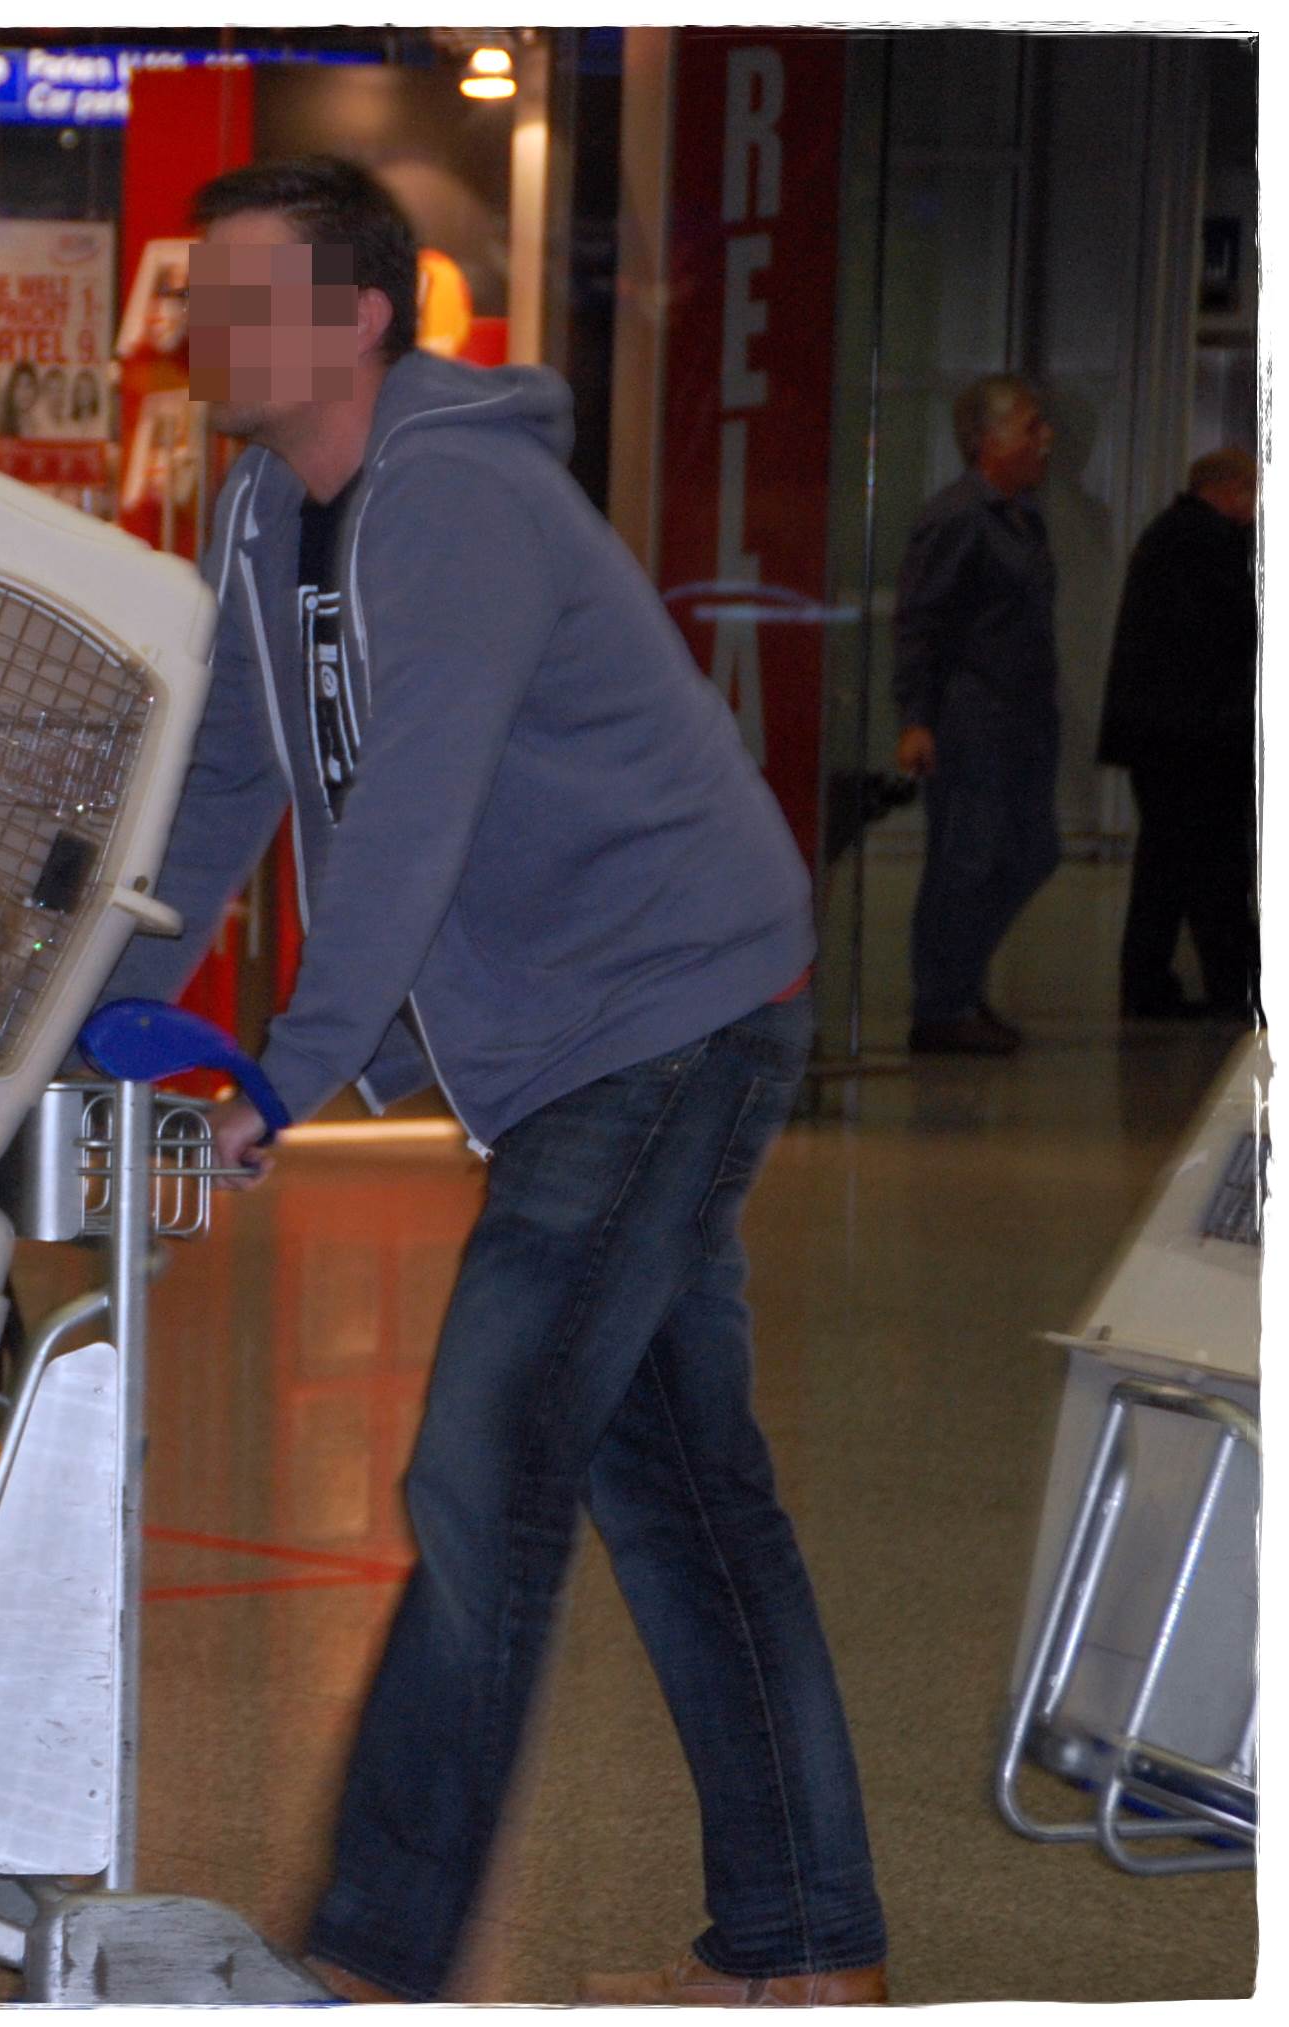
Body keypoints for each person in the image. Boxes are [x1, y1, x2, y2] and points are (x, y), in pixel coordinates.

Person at [99, 156, 887, 2005]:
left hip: (670, 1007)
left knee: (481, 1468)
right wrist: (95, 1023)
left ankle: (375, 1953)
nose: (204, 328)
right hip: (568, 1033)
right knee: (684, 1493)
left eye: (244, 297)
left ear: (359, 317)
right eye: (201, 295)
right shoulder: (257, 510)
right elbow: (224, 789)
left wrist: (295, 1074)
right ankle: (812, 1949)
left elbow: (410, 823)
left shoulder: (460, 499)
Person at [891, 374, 1062, 1054]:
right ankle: (941, 1005)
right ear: (988, 440)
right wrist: (915, 718)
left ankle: (957, 984)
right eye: (1030, 426)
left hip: (1022, 719)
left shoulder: (1021, 515)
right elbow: (920, 622)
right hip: (973, 721)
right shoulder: (957, 517)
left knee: (1030, 852)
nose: (1045, 438)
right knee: (966, 860)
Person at [1095, 446, 1258, 1020]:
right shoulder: (1208, 544)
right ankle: (1232, 985)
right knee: (1212, 863)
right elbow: (1239, 631)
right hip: (1196, 737)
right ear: (1231, 489)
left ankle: (1150, 983)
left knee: (1167, 861)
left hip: (1163, 734)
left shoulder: (1171, 536)